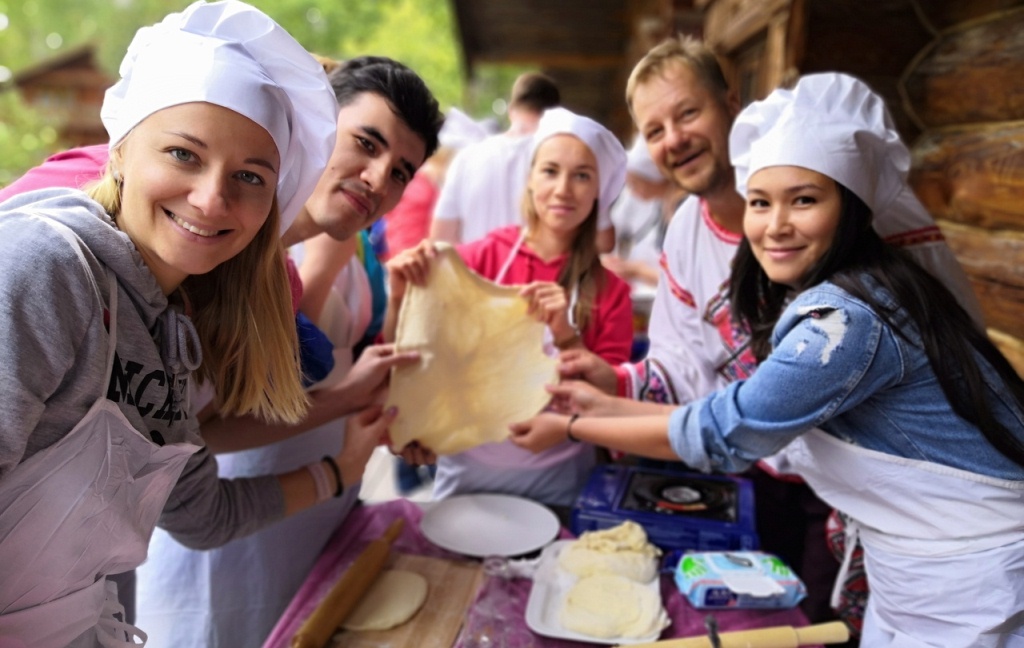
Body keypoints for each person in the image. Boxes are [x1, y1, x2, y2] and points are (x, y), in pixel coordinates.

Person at [510, 72, 1024, 647]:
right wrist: (601, 401)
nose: (775, 225)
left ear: (850, 210)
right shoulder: (859, 291)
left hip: (977, 580)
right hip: (923, 568)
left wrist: (571, 426)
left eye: (804, 200)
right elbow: (726, 410)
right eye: (760, 202)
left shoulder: (844, 324)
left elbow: (723, 431)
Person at [0, 1, 356, 644]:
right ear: (120, 151)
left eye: (249, 176)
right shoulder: (44, 265)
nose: (213, 198)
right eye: (183, 154)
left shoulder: (172, 340)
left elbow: (201, 514)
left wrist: (341, 469)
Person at [132, 56, 444, 647]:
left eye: (401, 171)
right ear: (315, 123)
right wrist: (343, 430)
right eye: (365, 143)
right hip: (237, 511)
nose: (378, 178)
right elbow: (218, 426)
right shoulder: (217, 239)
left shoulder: (326, 243)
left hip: (310, 498)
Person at [386, 107, 633, 507]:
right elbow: (415, 359)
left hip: (561, 486)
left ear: (599, 192)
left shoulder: (611, 292)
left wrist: (567, 337)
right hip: (467, 478)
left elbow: (610, 407)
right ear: (531, 178)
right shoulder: (476, 260)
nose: (563, 189)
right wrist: (401, 297)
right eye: (550, 171)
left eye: (582, 175)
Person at [430, 73, 616, 253]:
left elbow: (441, 239)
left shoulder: (466, 158)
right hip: (544, 272)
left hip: (476, 271)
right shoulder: (564, 156)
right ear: (557, 114)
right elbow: (603, 241)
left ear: (512, 110)